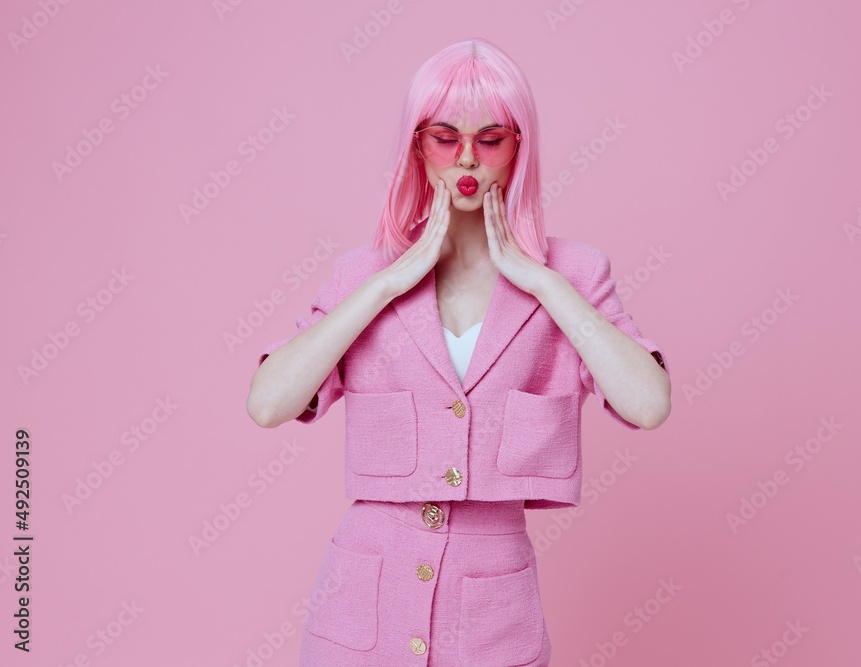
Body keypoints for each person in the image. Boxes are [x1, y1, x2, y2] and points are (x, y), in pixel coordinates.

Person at [247, 37, 671, 666]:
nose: (466, 158)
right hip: (361, 612)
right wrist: (387, 283)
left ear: (518, 147)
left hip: (494, 619)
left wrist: (545, 283)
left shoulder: (575, 273)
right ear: (417, 146)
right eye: (445, 138)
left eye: (491, 138)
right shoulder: (362, 273)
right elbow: (267, 403)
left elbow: (649, 404)